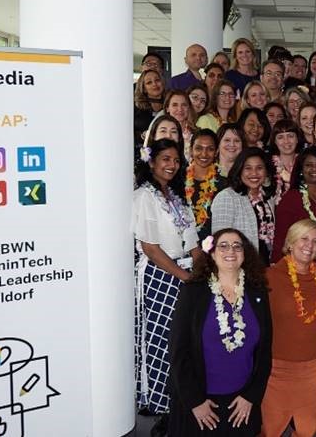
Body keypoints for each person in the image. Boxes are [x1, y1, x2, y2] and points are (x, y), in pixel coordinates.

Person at [167, 228, 272, 436]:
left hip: (242, 402)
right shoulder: (194, 291)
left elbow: (265, 350)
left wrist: (252, 396)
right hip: (202, 402)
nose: (230, 251)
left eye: (237, 246)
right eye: (223, 245)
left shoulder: (257, 291)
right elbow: (178, 350)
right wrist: (195, 401)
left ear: (245, 253)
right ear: (212, 253)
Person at [133, 139, 202, 432]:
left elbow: (194, 242)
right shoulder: (142, 197)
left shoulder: (176, 196)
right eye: (165, 158)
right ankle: (160, 403)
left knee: (185, 340)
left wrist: (200, 271)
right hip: (160, 274)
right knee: (162, 340)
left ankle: (181, 398)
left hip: (186, 272)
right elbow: (150, 247)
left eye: (175, 159)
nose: (171, 165)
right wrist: (185, 276)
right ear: (151, 162)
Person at [261, 219, 316, 437]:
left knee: (307, 430)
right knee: (269, 429)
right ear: (291, 242)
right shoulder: (269, 277)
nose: (309, 245)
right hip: (276, 369)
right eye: (304, 238)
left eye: (315, 241)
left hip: (311, 368)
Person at [272, 147, 316, 295]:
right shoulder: (291, 200)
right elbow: (281, 241)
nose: (314, 169)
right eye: (309, 165)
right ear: (301, 169)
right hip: (301, 272)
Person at [211, 147, 276, 259]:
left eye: (259, 168)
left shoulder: (268, 199)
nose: (254, 173)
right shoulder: (227, 197)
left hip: (265, 266)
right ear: (239, 170)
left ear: (266, 171)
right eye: (248, 168)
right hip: (238, 266)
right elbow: (220, 242)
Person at [184, 129, 227, 241]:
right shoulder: (178, 180)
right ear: (191, 150)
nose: (204, 154)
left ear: (216, 152)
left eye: (210, 149)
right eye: (198, 148)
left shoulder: (224, 185)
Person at [268, 119, 303, 197]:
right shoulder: (268, 166)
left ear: (297, 139)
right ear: (275, 141)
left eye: (290, 136)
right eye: (280, 137)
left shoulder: (305, 164)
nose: (286, 141)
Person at [135, 69, 165, 136]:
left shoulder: (170, 104)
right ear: (144, 89)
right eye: (149, 82)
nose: (154, 84)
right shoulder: (136, 107)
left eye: (157, 80)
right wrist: (141, 135)